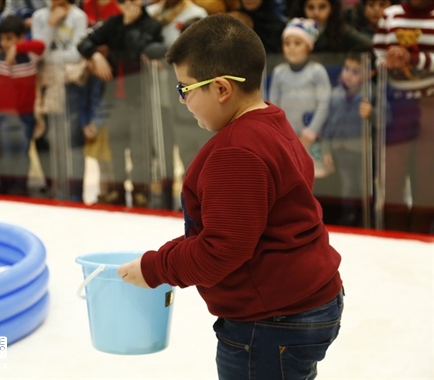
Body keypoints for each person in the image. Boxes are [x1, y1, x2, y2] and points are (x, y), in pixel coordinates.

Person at [117, 14, 343, 379]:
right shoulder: (272, 122)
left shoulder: (237, 151)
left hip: (272, 321)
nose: (183, 101)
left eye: (185, 89)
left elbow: (222, 248)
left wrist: (154, 268)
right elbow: (238, 228)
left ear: (221, 89)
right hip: (304, 302)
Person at [77, 0, 163, 206]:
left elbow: (138, 49)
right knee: (116, 146)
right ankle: (116, 190)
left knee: (139, 148)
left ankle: (140, 192)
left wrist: (128, 24)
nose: (129, 5)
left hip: (140, 98)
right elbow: (84, 43)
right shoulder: (113, 22)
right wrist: (96, 55)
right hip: (114, 96)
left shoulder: (151, 24)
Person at [372, 0, 434, 234]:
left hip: (430, 104)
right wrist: (388, 62)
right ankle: (394, 236)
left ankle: (420, 236)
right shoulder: (390, 15)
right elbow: (375, 55)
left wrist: (414, 59)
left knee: (427, 179)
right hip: (395, 105)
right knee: (391, 178)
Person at [0, 15, 45, 195]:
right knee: (7, 153)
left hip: (26, 115)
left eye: (9, 39)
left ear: (21, 37)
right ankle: (8, 188)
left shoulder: (30, 56)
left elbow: (41, 46)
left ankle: (20, 188)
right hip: (4, 116)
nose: (4, 43)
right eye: (2, 38)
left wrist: (18, 48)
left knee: (23, 153)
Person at [31, 0, 88, 201]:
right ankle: (51, 186)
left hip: (70, 84)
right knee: (43, 136)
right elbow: (38, 53)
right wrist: (51, 24)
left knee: (72, 140)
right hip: (45, 85)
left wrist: (50, 57)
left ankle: (74, 193)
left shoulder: (78, 16)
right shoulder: (39, 17)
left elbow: (76, 55)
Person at [320, 50, 377, 227]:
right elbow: (329, 125)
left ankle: (365, 217)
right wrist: (326, 149)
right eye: (346, 69)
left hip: (362, 152)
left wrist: (372, 113)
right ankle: (349, 215)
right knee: (347, 185)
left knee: (363, 186)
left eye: (355, 71)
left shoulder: (372, 94)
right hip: (340, 150)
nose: (348, 75)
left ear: (370, 73)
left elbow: (386, 118)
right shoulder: (336, 94)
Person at [268, 17, 331, 176]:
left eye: (297, 43)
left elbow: (324, 104)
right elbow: (273, 105)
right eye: (287, 43)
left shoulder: (317, 71)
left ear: (308, 47)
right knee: (290, 175)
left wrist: (311, 132)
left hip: (312, 138)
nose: (291, 48)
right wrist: (280, 132)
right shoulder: (279, 72)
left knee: (313, 175)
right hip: (286, 137)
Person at [288, 0, 371, 54]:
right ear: (303, 9)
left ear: (332, 9)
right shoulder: (292, 30)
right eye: (310, 7)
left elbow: (369, 44)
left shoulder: (342, 30)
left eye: (322, 7)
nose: (316, 13)